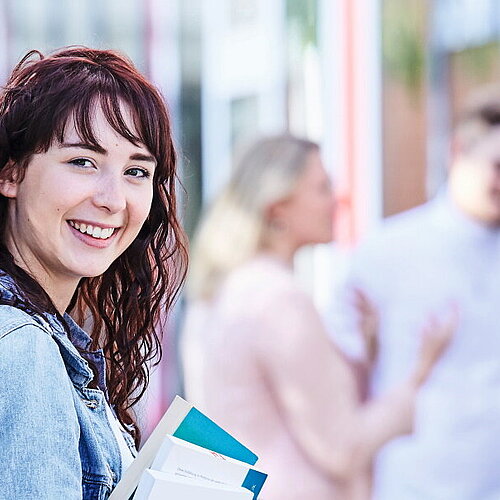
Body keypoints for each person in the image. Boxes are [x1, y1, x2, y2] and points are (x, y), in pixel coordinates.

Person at [181, 135, 456, 500]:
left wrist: (366, 355)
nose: (337, 200)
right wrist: (416, 379)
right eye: (323, 187)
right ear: (278, 208)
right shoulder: (279, 299)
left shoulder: (223, 291)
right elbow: (342, 449)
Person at [0, 47, 187, 499]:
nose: (113, 199)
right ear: (11, 174)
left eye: (136, 171)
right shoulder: (22, 345)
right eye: (83, 161)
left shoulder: (47, 334)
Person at [331, 87, 500, 499]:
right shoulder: (387, 251)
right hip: (413, 482)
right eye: (497, 165)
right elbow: (343, 375)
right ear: (458, 151)